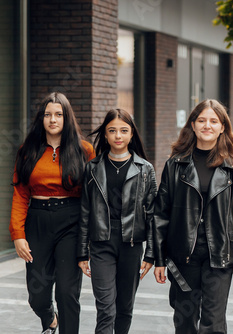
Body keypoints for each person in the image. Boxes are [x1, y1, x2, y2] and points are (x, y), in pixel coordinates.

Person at [10, 92, 95, 334]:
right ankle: (50, 319)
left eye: (58, 114)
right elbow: (20, 194)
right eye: (48, 114)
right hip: (37, 222)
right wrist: (18, 234)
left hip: (71, 222)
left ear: (67, 118)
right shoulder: (27, 150)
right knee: (37, 295)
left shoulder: (84, 150)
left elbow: (92, 196)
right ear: (41, 119)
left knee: (68, 293)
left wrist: (90, 236)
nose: (53, 119)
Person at [153, 99, 233, 333]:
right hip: (184, 255)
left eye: (214, 121)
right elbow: (161, 213)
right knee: (185, 319)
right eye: (201, 120)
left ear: (223, 127)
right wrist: (159, 258)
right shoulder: (175, 165)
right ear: (192, 125)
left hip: (220, 252)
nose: (207, 125)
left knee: (213, 322)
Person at [77, 108, 157, 334]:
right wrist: (82, 252)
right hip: (101, 243)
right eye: (112, 131)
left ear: (132, 134)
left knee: (124, 308)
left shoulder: (144, 169)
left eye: (124, 130)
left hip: (131, 245)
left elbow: (153, 214)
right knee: (106, 309)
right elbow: (85, 211)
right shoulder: (93, 168)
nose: (118, 136)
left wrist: (151, 253)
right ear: (105, 134)